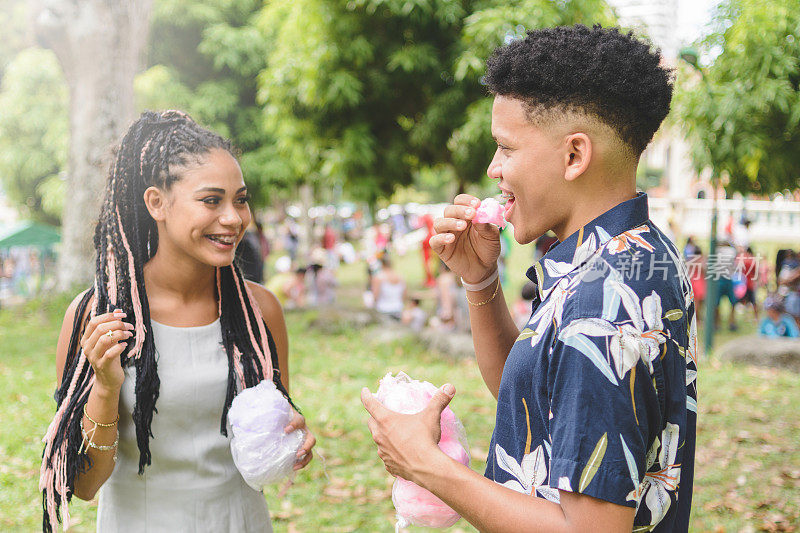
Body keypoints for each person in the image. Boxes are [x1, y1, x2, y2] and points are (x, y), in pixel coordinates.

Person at [362, 26, 696, 532]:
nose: (494, 168)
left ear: (574, 156)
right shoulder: (639, 250)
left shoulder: (603, 300)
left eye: (506, 148)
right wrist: (481, 283)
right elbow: (539, 407)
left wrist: (426, 466)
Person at [40, 111, 315, 533]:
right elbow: (83, 484)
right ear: (157, 203)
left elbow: (269, 442)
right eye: (211, 200)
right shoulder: (97, 317)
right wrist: (106, 385)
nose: (233, 218)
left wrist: (290, 442)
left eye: (240, 199)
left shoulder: (260, 312)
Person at [371, 256, 406, 320]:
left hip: (383, 308)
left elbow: (375, 296)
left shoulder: (378, 277)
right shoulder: (400, 276)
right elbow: (404, 295)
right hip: (398, 307)